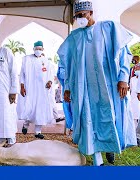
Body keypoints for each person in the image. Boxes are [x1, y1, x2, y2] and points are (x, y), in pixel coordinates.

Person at [57, 0, 137, 166]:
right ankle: (97, 159)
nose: (80, 19)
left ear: (91, 13)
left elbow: (124, 53)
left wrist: (123, 78)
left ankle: (110, 147)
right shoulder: (74, 38)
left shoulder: (108, 28)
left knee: (108, 117)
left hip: (107, 87)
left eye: (82, 15)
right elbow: (67, 64)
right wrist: (67, 88)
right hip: (84, 89)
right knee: (89, 121)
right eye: (77, 17)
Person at [17, 41, 55, 139]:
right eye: (36, 48)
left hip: (42, 90)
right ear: (33, 49)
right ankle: (25, 125)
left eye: (40, 49)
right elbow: (22, 74)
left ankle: (38, 132)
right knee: (30, 107)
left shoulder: (46, 61)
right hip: (30, 88)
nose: (38, 50)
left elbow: (51, 74)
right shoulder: (27, 59)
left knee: (40, 110)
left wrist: (50, 82)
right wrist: (22, 86)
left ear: (43, 49)